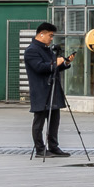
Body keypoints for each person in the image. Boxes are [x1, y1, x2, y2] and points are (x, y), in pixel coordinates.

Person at [23, 22, 72, 158]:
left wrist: (66, 63)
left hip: (53, 90)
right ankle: (40, 149)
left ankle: (53, 147)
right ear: (41, 34)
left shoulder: (47, 49)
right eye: (50, 35)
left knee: (54, 121)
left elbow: (53, 67)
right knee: (39, 121)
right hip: (40, 91)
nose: (51, 39)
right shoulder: (31, 50)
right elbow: (40, 67)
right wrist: (57, 62)